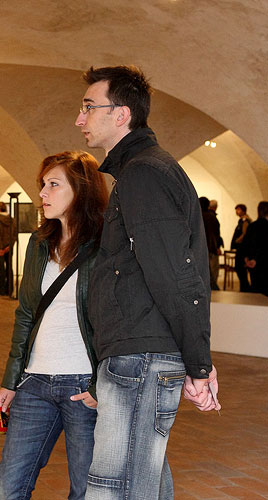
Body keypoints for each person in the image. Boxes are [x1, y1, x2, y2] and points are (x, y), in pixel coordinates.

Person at [75, 65, 220, 499]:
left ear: (121, 115)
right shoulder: (141, 172)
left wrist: (198, 362)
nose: (79, 119)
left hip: (142, 357)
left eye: (88, 107)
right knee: (145, 481)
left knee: (114, 486)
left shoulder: (144, 174)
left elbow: (175, 275)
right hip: (139, 351)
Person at [0, 151, 108, 500]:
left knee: (86, 492)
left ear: (82, 190)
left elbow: (115, 321)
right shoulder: (39, 244)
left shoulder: (106, 245)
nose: (42, 194)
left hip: (82, 387)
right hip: (34, 383)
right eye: (42, 185)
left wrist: (102, 383)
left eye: (53, 185)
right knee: (9, 489)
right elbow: (26, 314)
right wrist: (11, 381)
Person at [243, 201, 268, 296]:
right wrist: (257, 260)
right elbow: (265, 247)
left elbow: (246, 244)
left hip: (252, 264)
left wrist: (247, 258)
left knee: (256, 291)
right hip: (263, 263)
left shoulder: (252, 226)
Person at [0, 201, 17, 296]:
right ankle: (9, 289)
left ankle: (1, 289)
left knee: (1, 269)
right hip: (9, 248)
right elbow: (14, 234)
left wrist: (0, 248)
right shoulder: (12, 219)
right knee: (9, 268)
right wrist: (9, 246)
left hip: (0, 248)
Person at [200, 197, 222, 290]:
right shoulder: (211, 217)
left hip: (201, 248)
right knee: (213, 272)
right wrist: (217, 246)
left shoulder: (198, 216)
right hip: (211, 248)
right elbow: (216, 233)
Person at [231, 203, 252, 291]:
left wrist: (237, 240)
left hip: (242, 249)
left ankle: (245, 288)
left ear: (243, 210)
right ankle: (244, 288)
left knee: (240, 269)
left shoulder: (245, 220)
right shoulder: (242, 220)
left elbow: (245, 233)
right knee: (240, 270)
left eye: (238, 209)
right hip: (241, 249)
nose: (236, 211)